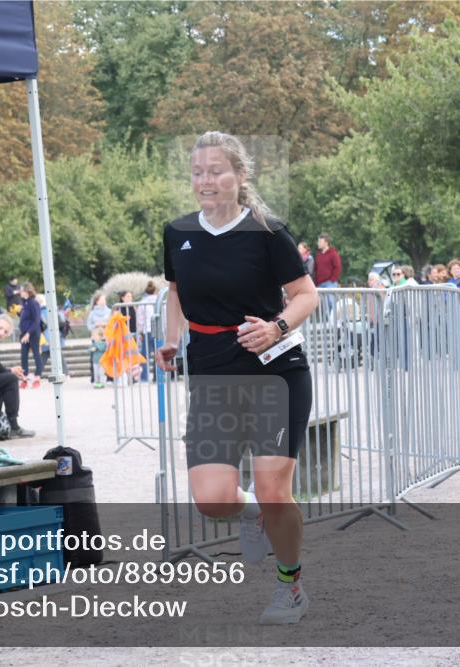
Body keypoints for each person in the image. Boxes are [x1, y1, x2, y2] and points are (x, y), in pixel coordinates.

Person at [157, 131, 319, 625]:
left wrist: (277, 328)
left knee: (275, 488)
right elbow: (176, 292)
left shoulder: (268, 232)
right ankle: (249, 514)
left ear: (240, 176)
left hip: (275, 373)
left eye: (216, 171)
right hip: (211, 374)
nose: (206, 181)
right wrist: (171, 339)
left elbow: (307, 294)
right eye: (198, 172)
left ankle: (290, 586)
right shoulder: (177, 232)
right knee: (212, 501)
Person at [19, 283, 43, 389]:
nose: (20, 292)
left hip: (32, 333)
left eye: (21, 290)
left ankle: (37, 376)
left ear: (27, 291)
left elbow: (36, 320)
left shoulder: (33, 303)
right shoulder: (25, 302)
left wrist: (28, 333)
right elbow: (26, 317)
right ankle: (25, 377)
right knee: (24, 355)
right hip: (24, 333)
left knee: (36, 354)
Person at [134, 281, 159, 382]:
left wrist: (140, 331)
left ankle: (144, 377)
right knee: (159, 354)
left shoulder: (142, 302)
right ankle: (158, 377)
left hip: (147, 330)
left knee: (145, 355)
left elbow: (140, 320)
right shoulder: (160, 300)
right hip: (158, 330)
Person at [315, 233, 341, 314]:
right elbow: (316, 269)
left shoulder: (333, 253)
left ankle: (337, 324)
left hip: (330, 283)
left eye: (320, 241)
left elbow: (337, 267)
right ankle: (330, 325)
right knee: (326, 307)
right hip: (320, 284)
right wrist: (316, 282)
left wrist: (333, 279)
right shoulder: (318, 255)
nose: (318, 243)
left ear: (326, 242)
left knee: (332, 304)